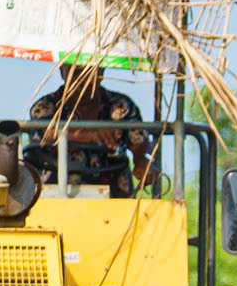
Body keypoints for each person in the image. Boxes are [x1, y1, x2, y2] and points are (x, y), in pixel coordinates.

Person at [27, 61, 148, 197]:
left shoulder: (120, 106)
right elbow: (46, 134)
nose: (83, 80)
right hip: (55, 196)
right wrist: (88, 136)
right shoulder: (46, 106)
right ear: (62, 72)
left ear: (101, 73)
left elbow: (139, 141)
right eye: (77, 72)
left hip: (113, 199)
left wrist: (141, 161)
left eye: (91, 72)